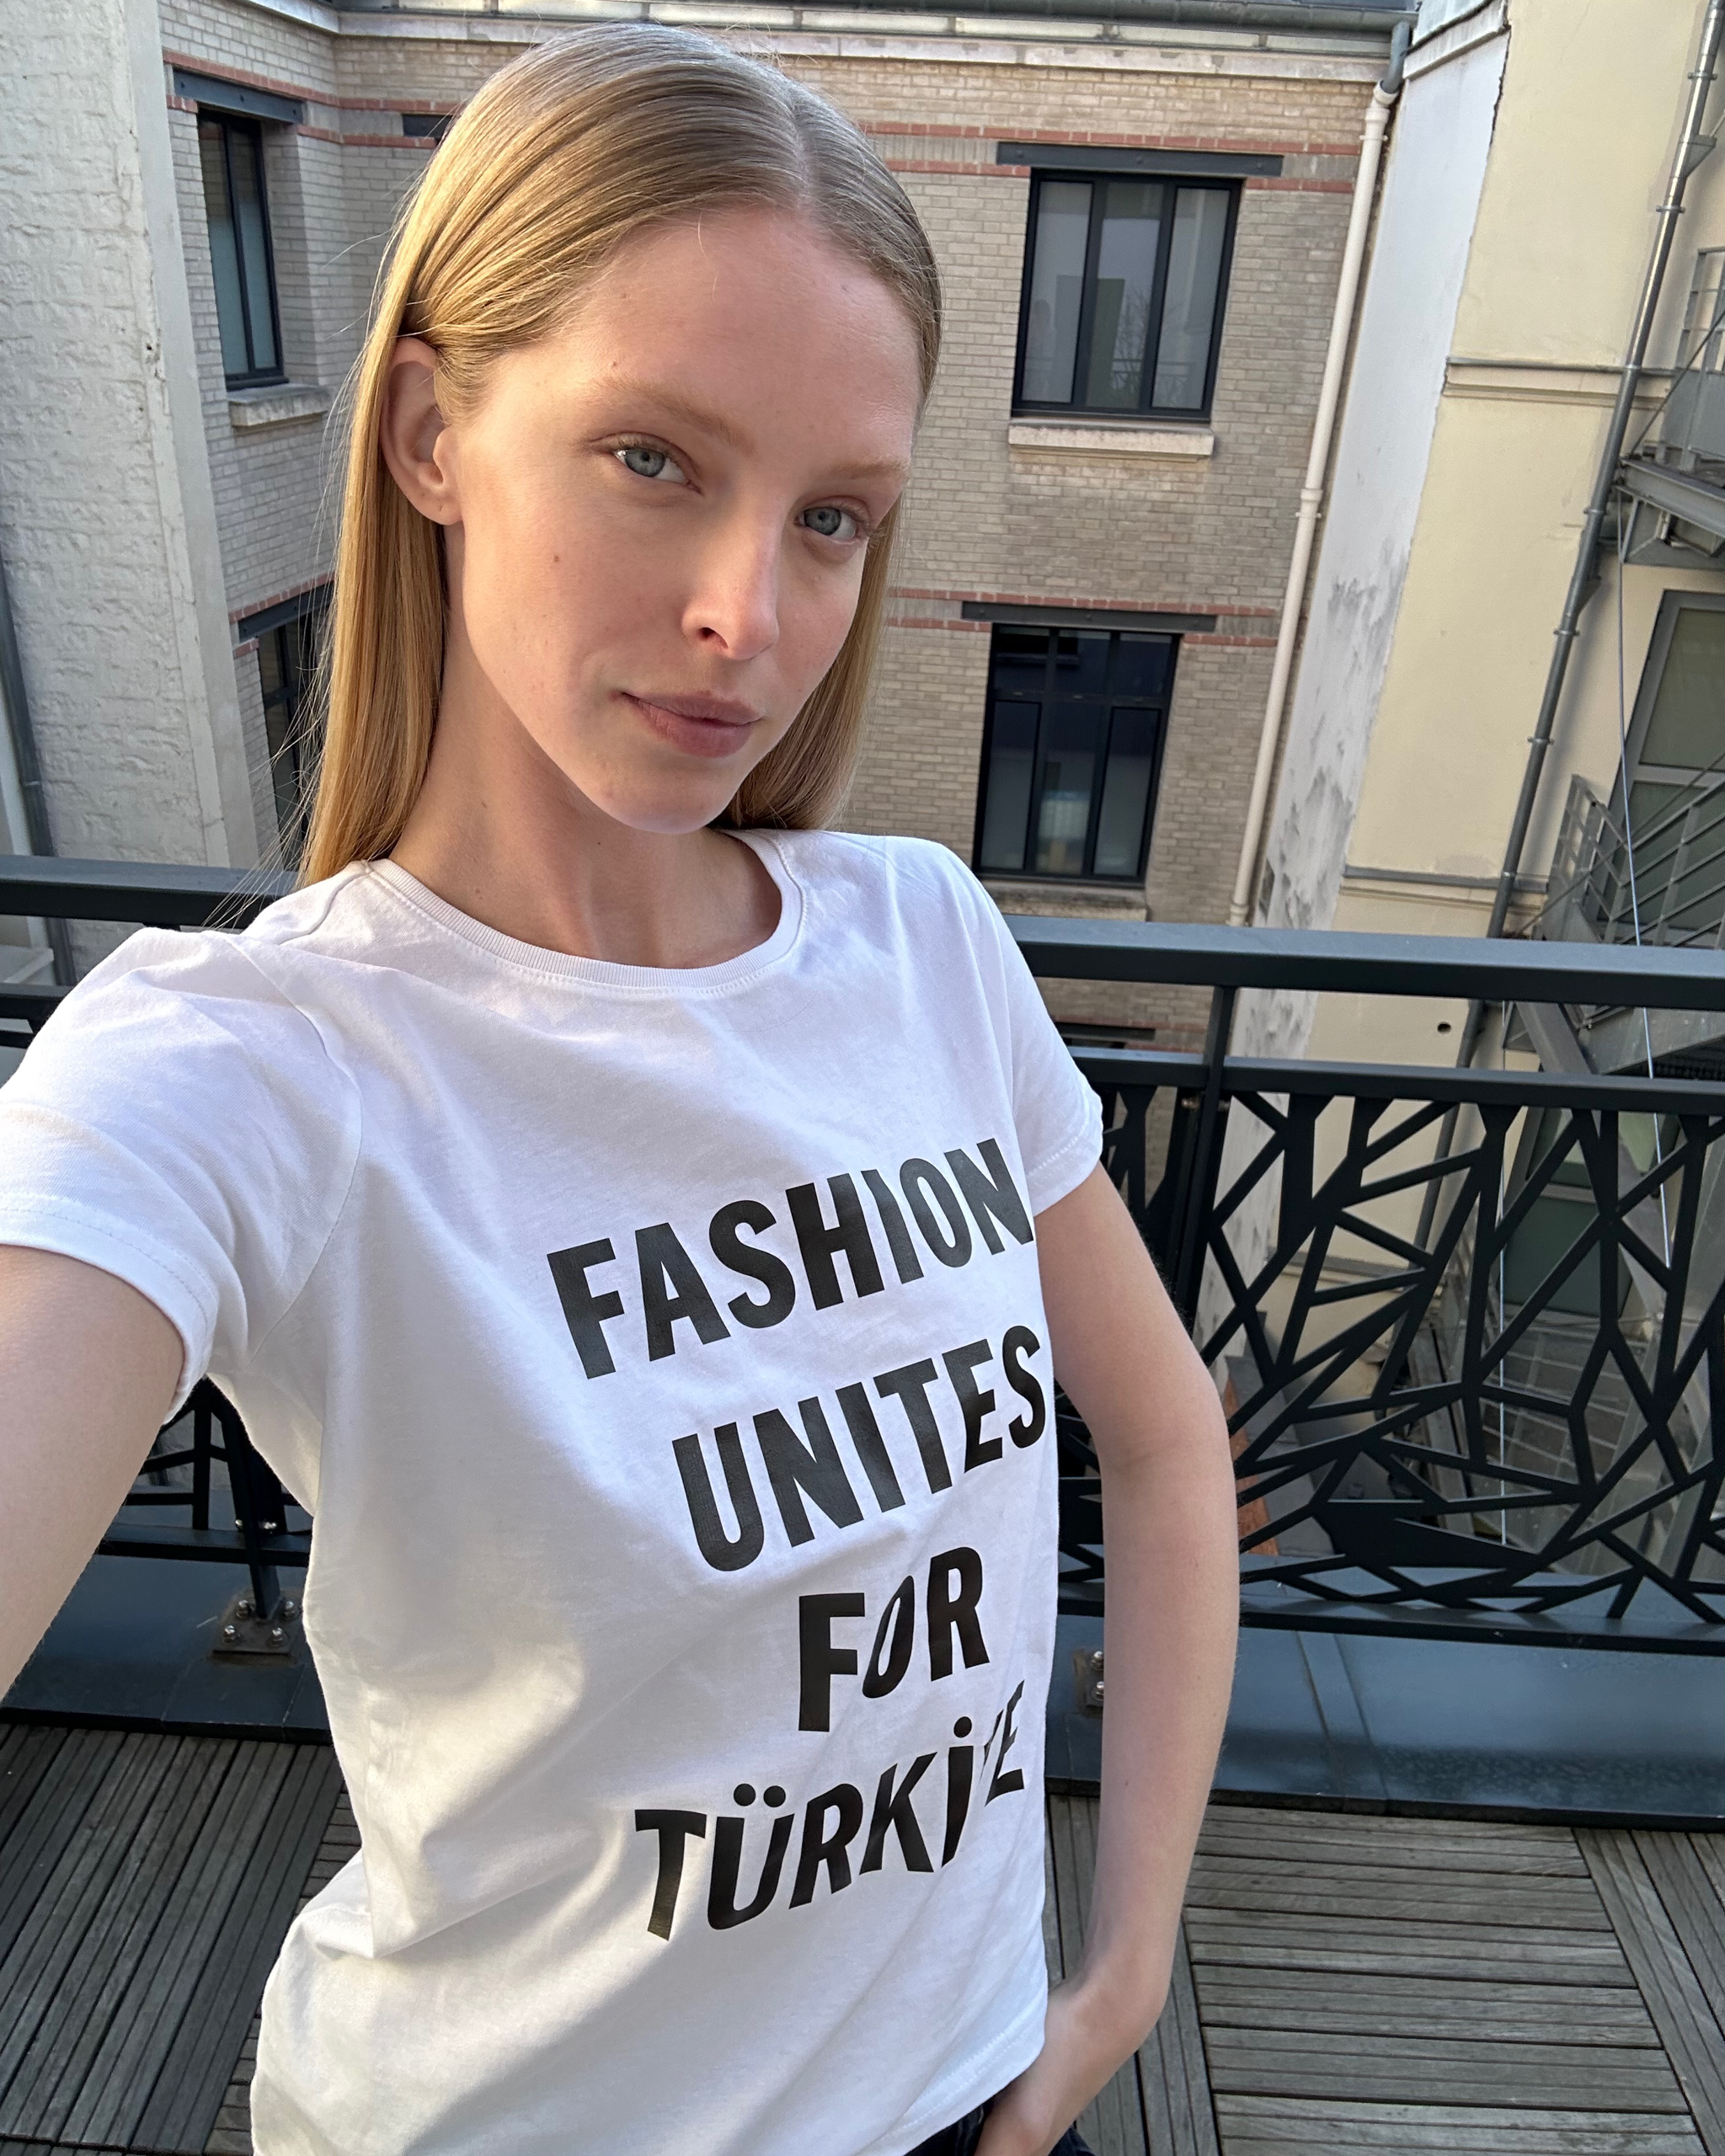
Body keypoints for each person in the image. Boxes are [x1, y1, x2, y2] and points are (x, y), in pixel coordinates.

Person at [0, 27, 1237, 2156]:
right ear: (430, 436)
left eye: (832, 516)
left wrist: (1118, 1971)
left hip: (960, 2096)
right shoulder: (248, 1062)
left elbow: (1163, 1430)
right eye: (654, 457)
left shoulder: (926, 941)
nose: (750, 615)